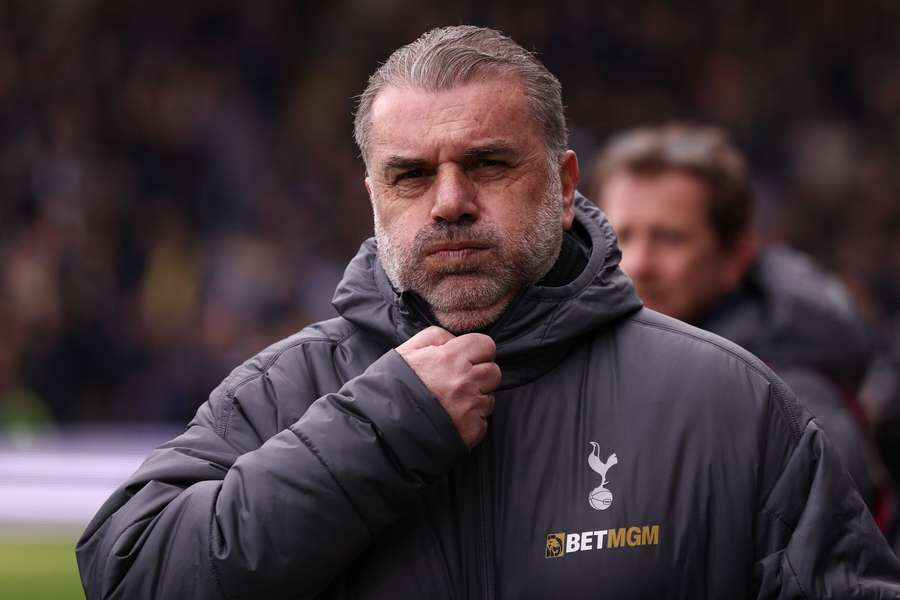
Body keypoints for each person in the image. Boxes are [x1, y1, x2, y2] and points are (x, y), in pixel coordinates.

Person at [76, 26, 900, 599]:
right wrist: (383, 424)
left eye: (489, 164)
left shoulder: (733, 401)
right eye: (410, 176)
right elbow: (130, 572)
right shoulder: (286, 390)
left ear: (567, 182)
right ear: (372, 197)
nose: (450, 203)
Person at [591, 123, 889, 519]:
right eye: (621, 236)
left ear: (735, 257)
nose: (639, 264)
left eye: (669, 238)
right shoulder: (588, 363)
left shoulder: (791, 401)